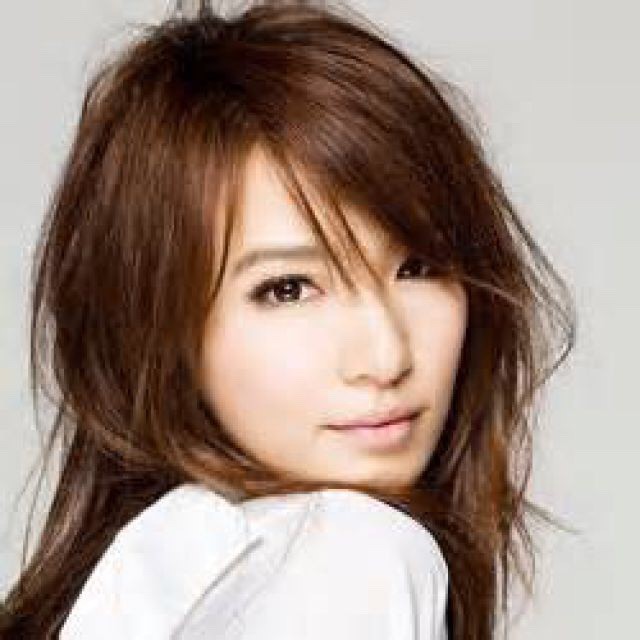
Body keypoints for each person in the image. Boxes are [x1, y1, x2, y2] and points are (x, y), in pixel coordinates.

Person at [0, 1, 576, 638]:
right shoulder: (358, 553)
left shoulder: (166, 566)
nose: (386, 357)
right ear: (154, 327)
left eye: (418, 267)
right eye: (288, 289)